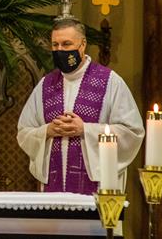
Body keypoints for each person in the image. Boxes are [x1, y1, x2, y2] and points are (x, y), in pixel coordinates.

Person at [17, 18, 144, 194]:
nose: (59, 50)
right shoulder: (46, 85)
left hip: (98, 192)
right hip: (54, 192)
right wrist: (48, 131)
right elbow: (24, 132)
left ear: (82, 45)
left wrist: (85, 129)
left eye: (66, 44)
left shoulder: (110, 82)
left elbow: (132, 132)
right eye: (55, 45)